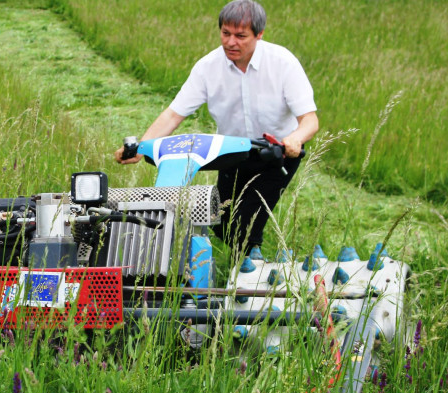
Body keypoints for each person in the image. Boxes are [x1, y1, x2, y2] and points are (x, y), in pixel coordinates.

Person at [114, 0, 318, 264]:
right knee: (222, 223)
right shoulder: (207, 67)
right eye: (225, 33)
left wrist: (295, 138)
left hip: (276, 154)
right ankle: (243, 264)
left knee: (246, 223)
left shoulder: (283, 63)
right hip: (232, 152)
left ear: (259, 35)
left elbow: (310, 120)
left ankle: (247, 272)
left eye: (241, 36)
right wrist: (141, 148)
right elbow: (174, 113)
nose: (231, 42)